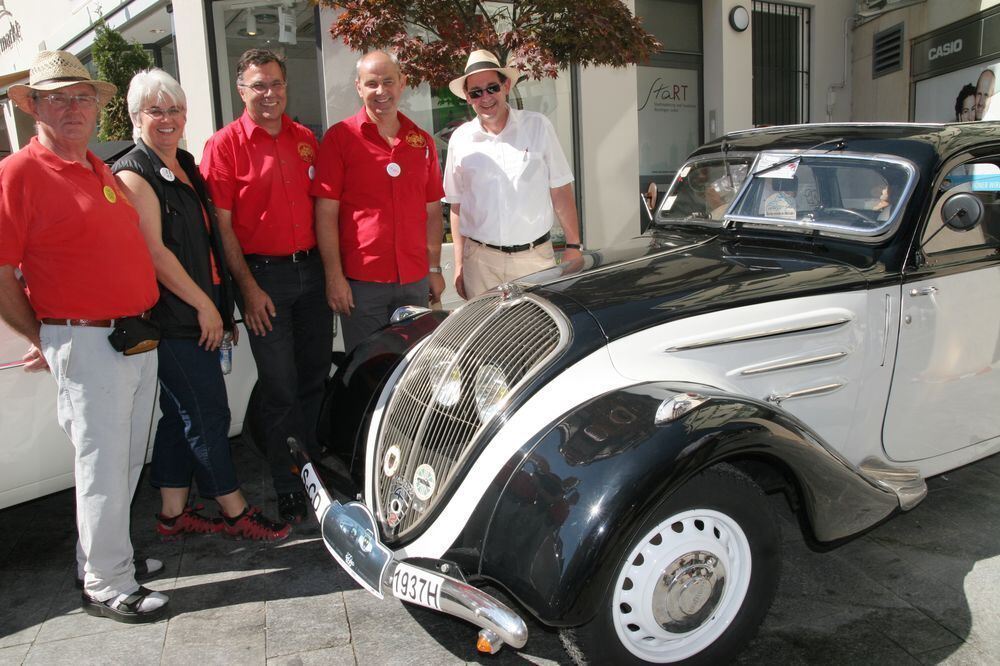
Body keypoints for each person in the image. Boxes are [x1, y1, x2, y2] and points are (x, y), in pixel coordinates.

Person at [0, 51, 167, 623]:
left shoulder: (97, 166)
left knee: (123, 463)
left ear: (97, 106)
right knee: (101, 466)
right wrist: (45, 335)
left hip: (130, 339)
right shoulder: (20, 172)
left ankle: (104, 560)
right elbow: (1, 273)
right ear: (34, 107)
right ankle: (106, 584)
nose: (72, 107)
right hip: (87, 343)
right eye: (57, 97)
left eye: (82, 96)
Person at [114, 69, 290, 542]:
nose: (167, 118)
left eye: (174, 109)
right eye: (156, 110)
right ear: (136, 117)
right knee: (208, 414)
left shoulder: (184, 164)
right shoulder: (134, 173)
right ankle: (234, 511)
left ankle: (173, 513)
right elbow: (155, 253)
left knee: (181, 414)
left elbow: (208, 244)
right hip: (172, 318)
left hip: (199, 312)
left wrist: (219, 305)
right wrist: (205, 308)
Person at [200, 49, 331, 525]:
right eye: (259, 85)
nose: (269, 93)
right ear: (242, 90)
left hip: (312, 274)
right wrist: (247, 290)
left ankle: (314, 474)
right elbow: (223, 228)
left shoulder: (305, 140)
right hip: (264, 279)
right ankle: (287, 483)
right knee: (280, 388)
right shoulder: (225, 145)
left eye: (275, 83)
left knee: (315, 377)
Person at [443, 50, 582, 300]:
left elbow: (560, 189)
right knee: (485, 338)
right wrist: (460, 264)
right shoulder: (459, 140)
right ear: (467, 97)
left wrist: (573, 246)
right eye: (476, 92)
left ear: (506, 86)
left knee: (539, 336)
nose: (485, 97)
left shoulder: (538, 126)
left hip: (535, 261)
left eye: (491, 88)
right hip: (480, 263)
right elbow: (456, 205)